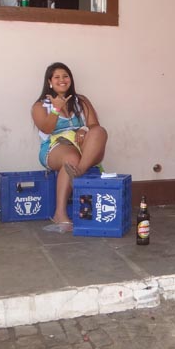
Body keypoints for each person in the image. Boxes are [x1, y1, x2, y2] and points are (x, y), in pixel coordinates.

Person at [31, 62, 107, 228]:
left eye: (65, 76)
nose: (62, 80)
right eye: (57, 77)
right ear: (49, 82)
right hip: (54, 148)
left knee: (99, 132)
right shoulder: (40, 106)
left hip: (82, 148)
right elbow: (46, 128)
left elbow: (94, 125)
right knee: (70, 158)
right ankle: (60, 214)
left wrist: (84, 129)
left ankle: (79, 170)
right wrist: (56, 110)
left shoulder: (81, 101)